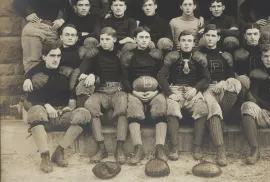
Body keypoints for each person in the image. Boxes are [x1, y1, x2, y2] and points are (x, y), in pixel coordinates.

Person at [22, 42, 91, 173]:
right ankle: (45, 156)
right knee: (35, 112)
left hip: (63, 114)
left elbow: (78, 76)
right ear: (44, 57)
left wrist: (90, 76)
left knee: (84, 114)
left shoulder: (66, 72)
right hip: (45, 116)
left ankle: (59, 151)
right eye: (52, 56)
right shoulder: (35, 76)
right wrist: (46, 106)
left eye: (58, 56)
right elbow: (31, 99)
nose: (56, 59)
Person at [78, 27, 128, 164]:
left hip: (118, 90)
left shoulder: (119, 55)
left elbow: (125, 75)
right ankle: (101, 148)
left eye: (107, 39)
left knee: (122, 107)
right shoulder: (95, 54)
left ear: (114, 39)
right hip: (101, 91)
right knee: (90, 105)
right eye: (102, 39)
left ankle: (120, 148)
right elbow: (82, 70)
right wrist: (91, 74)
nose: (104, 42)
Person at [157, 30, 210, 160]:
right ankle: (174, 147)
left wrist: (196, 89)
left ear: (194, 43)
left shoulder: (199, 57)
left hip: (192, 90)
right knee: (172, 109)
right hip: (175, 89)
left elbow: (206, 78)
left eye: (189, 41)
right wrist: (169, 93)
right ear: (179, 42)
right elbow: (161, 75)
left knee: (202, 109)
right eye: (183, 40)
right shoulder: (172, 56)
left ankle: (197, 146)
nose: (186, 43)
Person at [121, 27, 167, 165]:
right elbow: (124, 78)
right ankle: (138, 148)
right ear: (135, 39)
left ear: (150, 40)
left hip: (154, 91)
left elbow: (162, 75)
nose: (144, 40)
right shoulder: (128, 56)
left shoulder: (156, 55)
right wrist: (134, 92)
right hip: (135, 91)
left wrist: (157, 91)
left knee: (161, 104)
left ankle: (160, 147)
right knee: (133, 107)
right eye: (141, 37)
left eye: (147, 37)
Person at [12, 0, 71, 72]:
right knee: (33, 60)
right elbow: (17, 3)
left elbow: (69, 11)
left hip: (52, 29)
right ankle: (33, 84)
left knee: (55, 59)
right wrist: (27, 14)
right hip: (35, 27)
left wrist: (62, 20)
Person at [200, 24, 242, 166]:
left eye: (213, 36)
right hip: (207, 89)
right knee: (214, 109)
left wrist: (224, 82)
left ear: (218, 38)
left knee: (236, 83)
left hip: (222, 86)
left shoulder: (224, 55)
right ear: (204, 37)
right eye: (208, 35)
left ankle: (218, 120)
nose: (210, 38)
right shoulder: (199, 54)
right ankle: (220, 149)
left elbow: (231, 76)